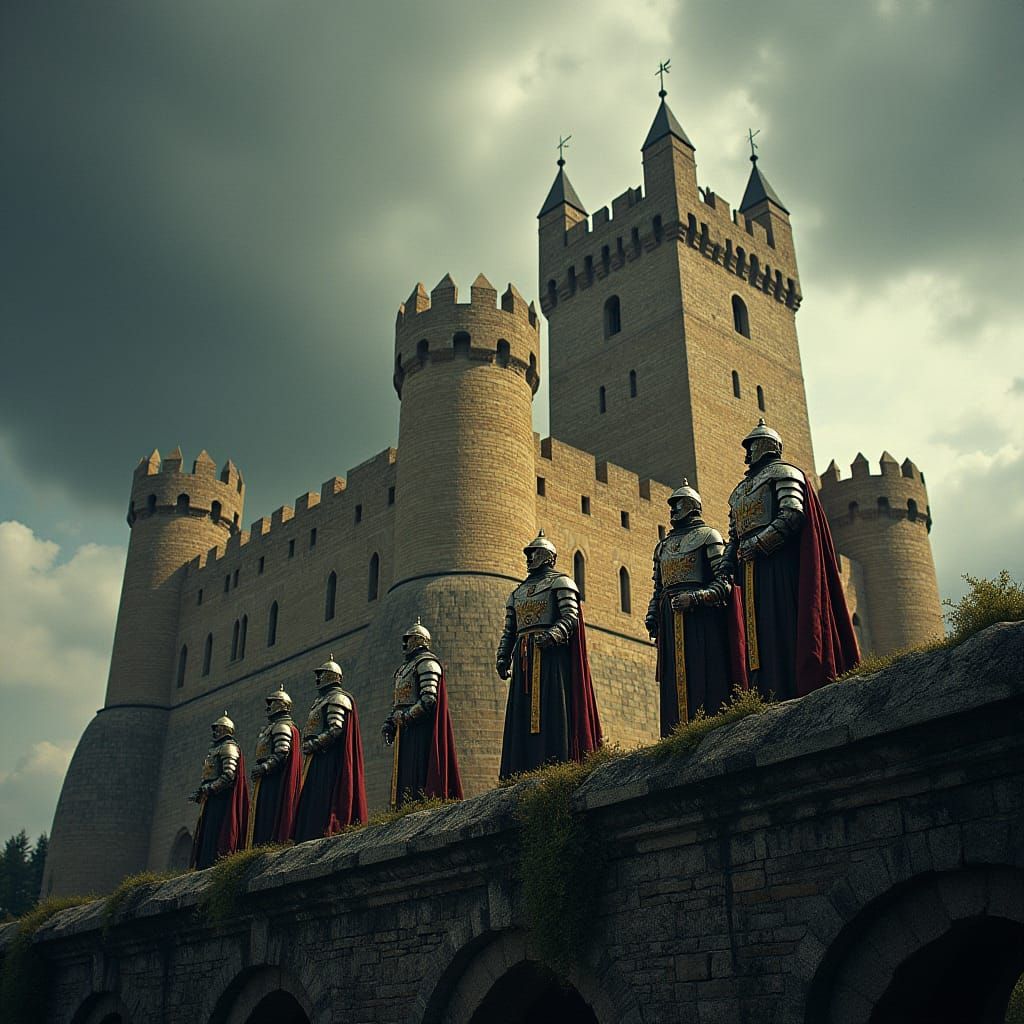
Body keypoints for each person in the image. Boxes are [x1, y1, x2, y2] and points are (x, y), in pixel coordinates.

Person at [723, 419, 859, 699]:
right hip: (749, 571)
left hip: (779, 566)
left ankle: (788, 684)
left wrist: (759, 543)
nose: (748, 452)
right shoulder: (739, 492)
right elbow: (734, 535)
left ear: (766, 445)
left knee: (783, 623)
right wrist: (726, 563)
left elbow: (792, 515)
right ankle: (762, 691)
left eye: (752, 445)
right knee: (756, 633)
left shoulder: (784, 473)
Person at [496, 530, 602, 778]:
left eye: (534, 553)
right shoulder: (518, 593)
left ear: (547, 556)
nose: (529, 557)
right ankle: (523, 769)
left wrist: (554, 634)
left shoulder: (561, 583)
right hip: (523, 661)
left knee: (554, 709)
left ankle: (556, 765)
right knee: (522, 715)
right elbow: (510, 630)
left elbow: (571, 617)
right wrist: (503, 656)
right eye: (528, 553)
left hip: (551, 658)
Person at [645, 480, 743, 735]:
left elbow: (725, 583)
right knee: (673, 682)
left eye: (677, 504)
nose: (672, 510)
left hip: (702, 621)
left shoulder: (709, 537)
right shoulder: (663, 547)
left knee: (705, 674)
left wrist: (696, 598)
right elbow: (658, 588)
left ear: (691, 505)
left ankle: (710, 729)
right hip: (670, 621)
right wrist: (653, 614)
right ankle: (677, 734)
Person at [381, 619, 463, 808]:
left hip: (421, 730)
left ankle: (419, 803)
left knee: (419, 771)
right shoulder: (403, 669)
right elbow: (399, 702)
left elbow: (429, 699)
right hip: (405, 730)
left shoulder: (427, 663)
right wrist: (390, 723)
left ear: (418, 640)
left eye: (408, 639)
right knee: (405, 775)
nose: (405, 644)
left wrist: (407, 716)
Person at [292, 656, 367, 841]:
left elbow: (335, 729)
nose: (318, 679)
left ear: (331, 676)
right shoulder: (321, 701)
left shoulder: (336, 698)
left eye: (322, 674)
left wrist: (315, 744)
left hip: (328, 759)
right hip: (318, 758)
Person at [189, 711, 248, 869]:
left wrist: (210, 788)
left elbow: (229, 775)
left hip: (221, 799)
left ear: (225, 729)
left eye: (218, 728)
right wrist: (202, 791)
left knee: (216, 831)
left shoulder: (228, 748)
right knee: (207, 832)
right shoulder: (215, 750)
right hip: (211, 797)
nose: (215, 732)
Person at [247, 688, 302, 847]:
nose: (268, 707)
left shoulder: (281, 726)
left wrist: (264, 767)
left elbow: (281, 753)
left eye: (272, 703)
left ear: (280, 705)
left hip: (274, 779)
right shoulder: (273, 727)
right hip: (267, 778)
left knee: (270, 810)